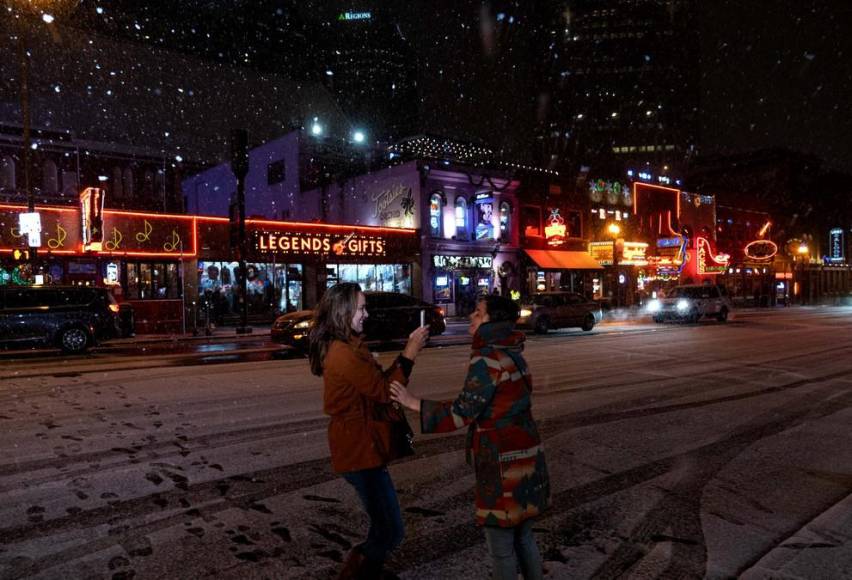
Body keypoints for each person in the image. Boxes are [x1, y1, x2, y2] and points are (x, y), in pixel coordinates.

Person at [390, 295, 549, 580]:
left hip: (501, 460)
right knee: (524, 536)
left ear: (491, 321)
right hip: (527, 452)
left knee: (500, 545)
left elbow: (464, 412)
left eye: (478, 313)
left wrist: (414, 403)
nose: (471, 318)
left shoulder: (488, 358)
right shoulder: (512, 351)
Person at [308, 283, 429, 579]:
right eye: (361, 308)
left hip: (363, 448)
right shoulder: (344, 353)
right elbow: (384, 392)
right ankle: (355, 573)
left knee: (385, 526)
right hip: (359, 452)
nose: (366, 314)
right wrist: (410, 353)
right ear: (343, 312)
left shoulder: (349, 347)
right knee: (391, 531)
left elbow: (375, 388)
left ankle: (367, 571)